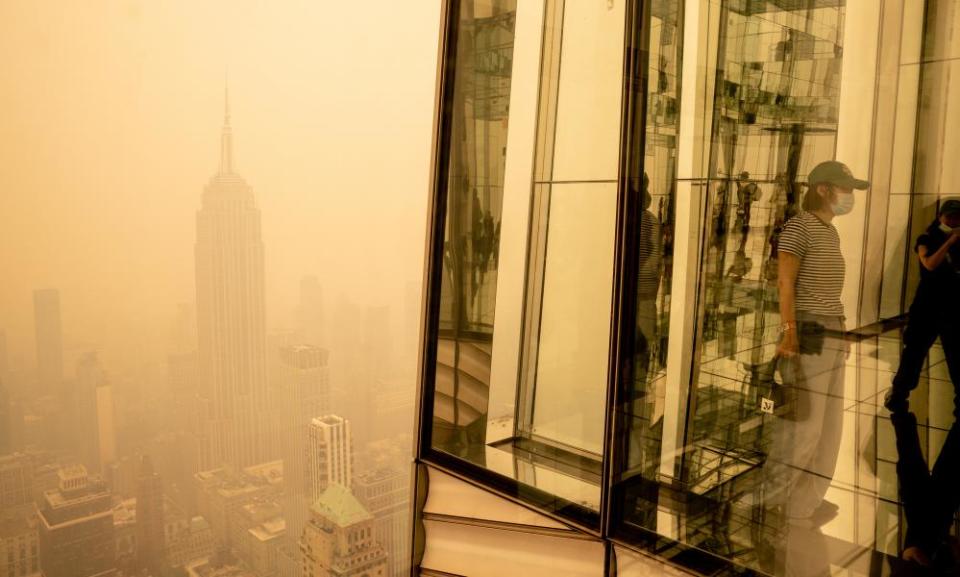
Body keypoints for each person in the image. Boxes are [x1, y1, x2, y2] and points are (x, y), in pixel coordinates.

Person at [759, 161, 869, 575]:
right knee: (803, 426)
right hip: (807, 329)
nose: (850, 196)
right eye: (846, 189)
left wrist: (841, 333)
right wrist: (788, 332)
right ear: (824, 190)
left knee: (828, 426)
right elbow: (785, 283)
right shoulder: (799, 227)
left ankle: (803, 503)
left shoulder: (829, 229)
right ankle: (774, 507)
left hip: (831, 329)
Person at [885, 198, 960, 414]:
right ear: (940, 217)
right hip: (927, 307)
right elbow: (929, 264)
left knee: (956, 354)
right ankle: (899, 393)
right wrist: (949, 242)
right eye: (950, 216)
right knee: (914, 353)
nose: (953, 220)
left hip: (953, 308)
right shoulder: (926, 238)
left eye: (957, 217)